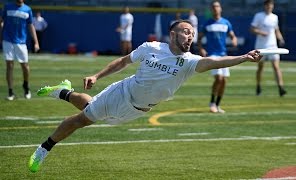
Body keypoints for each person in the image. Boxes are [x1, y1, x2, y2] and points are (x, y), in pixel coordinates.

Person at [28, 20, 262, 173]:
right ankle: (45, 148)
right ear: (173, 34)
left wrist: (242, 57)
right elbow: (122, 62)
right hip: (122, 92)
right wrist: (97, 76)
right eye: (186, 31)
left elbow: (214, 62)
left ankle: (62, 91)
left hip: (137, 110)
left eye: (193, 33)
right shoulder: (151, 47)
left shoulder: (189, 62)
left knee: (91, 107)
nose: (190, 36)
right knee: (83, 120)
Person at [198, 0, 238, 113]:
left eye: (217, 6)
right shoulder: (207, 23)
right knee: (219, 78)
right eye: (213, 7)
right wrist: (201, 48)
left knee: (224, 81)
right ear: (211, 10)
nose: (215, 8)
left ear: (220, 9)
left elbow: (232, 35)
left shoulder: (226, 23)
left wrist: (234, 40)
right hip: (212, 55)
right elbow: (199, 38)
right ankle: (212, 103)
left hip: (223, 54)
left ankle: (217, 104)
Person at [0, 0, 39, 100]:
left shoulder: (27, 9)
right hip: (7, 40)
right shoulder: (7, 7)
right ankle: (10, 92)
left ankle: (26, 86)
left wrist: (36, 42)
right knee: (9, 65)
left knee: (25, 66)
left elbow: (31, 26)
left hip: (21, 42)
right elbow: (1, 21)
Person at [250, 0, 287, 97]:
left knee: (276, 67)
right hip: (261, 46)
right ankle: (258, 86)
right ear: (265, 6)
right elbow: (252, 29)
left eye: (271, 5)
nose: (269, 7)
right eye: (268, 5)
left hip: (272, 46)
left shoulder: (275, 17)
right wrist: (261, 32)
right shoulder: (259, 16)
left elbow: (276, 30)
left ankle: (281, 88)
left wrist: (281, 39)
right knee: (260, 68)